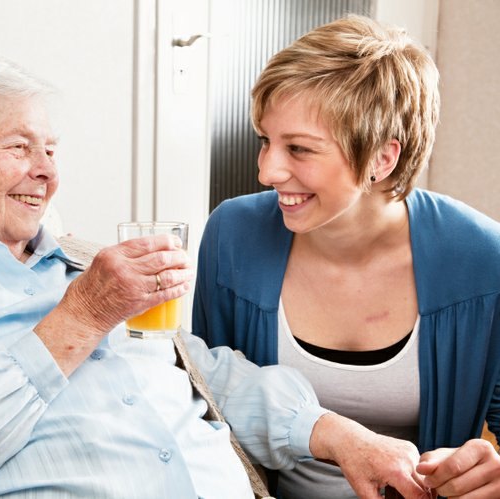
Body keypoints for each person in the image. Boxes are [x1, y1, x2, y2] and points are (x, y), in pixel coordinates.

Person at [0, 51, 431, 499]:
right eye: (20, 148)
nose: (46, 174)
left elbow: (204, 373)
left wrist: (344, 436)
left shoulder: (90, 264)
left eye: (52, 151)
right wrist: (82, 316)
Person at [192, 14, 500, 499]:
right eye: (265, 141)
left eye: (299, 149)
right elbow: (204, 399)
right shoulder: (233, 234)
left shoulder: (484, 259)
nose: (267, 171)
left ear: (382, 158)